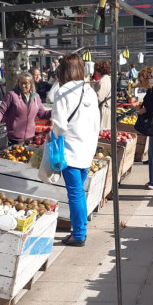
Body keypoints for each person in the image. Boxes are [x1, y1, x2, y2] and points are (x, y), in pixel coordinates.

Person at [52, 54, 100, 247]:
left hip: (70, 149)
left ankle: (79, 233)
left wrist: (53, 137)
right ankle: (78, 230)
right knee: (78, 191)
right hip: (87, 148)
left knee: (75, 193)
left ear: (64, 70)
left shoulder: (62, 92)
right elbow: (96, 122)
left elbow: (59, 125)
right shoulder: (89, 91)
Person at [0, 73, 52, 144]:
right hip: (12, 138)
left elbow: (42, 114)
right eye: (21, 83)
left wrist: (55, 111)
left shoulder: (36, 97)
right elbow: (1, 111)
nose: (23, 86)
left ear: (31, 84)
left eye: (26, 83)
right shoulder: (11, 95)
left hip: (30, 139)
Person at [91, 60, 113, 129]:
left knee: (103, 130)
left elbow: (99, 98)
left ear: (99, 71)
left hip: (104, 110)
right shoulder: (107, 79)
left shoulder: (102, 81)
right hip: (107, 109)